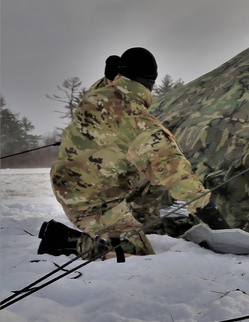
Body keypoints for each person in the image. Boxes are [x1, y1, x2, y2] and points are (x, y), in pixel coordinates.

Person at [47, 47, 229, 258]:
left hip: (71, 183)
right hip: (93, 200)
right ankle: (66, 242)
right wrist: (208, 212)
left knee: (146, 194)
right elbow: (172, 167)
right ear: (151, 82)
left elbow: (105, 87)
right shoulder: (137, 120)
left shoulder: (95, 97)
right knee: (135, 253)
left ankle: (124, 224)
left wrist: (112, 78)